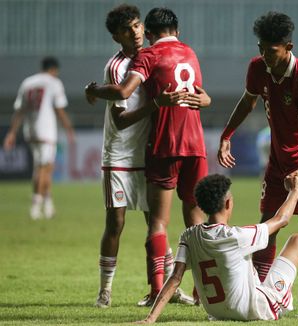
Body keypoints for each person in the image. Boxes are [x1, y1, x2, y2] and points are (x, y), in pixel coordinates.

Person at [85, 7, 211, 307]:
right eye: (129, 29)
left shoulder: (153, 56)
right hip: (121, 153)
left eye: (138, 26)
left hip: (154, 149)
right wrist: (97, 90)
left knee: (155, 222)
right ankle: (105, 290)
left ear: (147, 29)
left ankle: (165, 288)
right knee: (116, 222)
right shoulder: (118, 66)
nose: (136, 32)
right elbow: (121, 121)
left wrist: (205, 99)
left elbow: (197, 94)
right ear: (117, 36)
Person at [217, 12, 298, 315]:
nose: (264, 55)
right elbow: (248, 102)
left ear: (288, 47)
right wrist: (226, 134)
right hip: (278, 161)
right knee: (266, 226)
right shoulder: (258, 68)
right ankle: (259, 292)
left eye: (270, 51)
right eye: (261, 48)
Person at [136, 174, 298, 323]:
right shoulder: (236, 236)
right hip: (256, 309)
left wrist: (150, 319)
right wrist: (295, 189)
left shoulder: (189, 235)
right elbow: (282, 219)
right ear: (228, 203)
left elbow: (174, 278)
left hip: (216, 313)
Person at [3, 56, 75, 220]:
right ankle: (36, 205)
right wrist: (69, 129)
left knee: (42, 168)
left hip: (31, 131)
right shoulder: (53, 83)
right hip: (46, 131)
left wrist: (12, 132)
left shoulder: (27, 83)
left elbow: (19, 111)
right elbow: (60, 110)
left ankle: (48, 206)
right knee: (44, 169)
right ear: (54, 69)